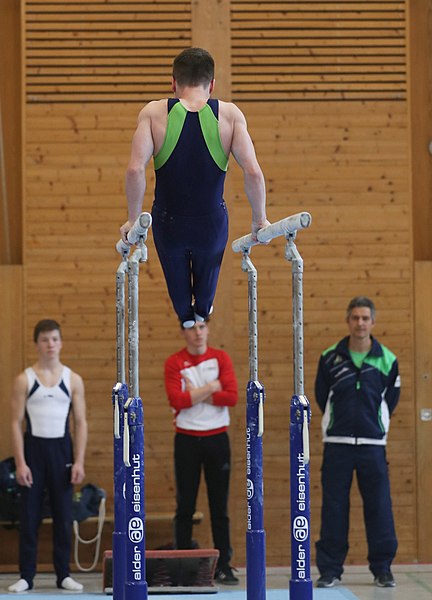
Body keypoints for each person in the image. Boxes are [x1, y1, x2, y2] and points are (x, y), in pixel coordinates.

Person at [120, 46, 269, 328]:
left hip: (168, 224)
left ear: (173, 82)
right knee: (204, 300)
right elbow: (253, 172)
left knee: (181, 304)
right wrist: (259, 219)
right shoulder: (230, 115)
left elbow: (135, 169)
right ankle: (203, 308)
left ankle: (186, 316)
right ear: (212, 84)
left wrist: (133, 220)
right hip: (210, 225)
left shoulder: (153, 113)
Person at [314, 296, 400, 589]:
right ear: (348, 321)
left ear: (373, 322)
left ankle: (382, 569)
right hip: (337, 444)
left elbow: (390, 401)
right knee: (334, 508)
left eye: (365, 318)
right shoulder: (329, 357)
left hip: (373, 446)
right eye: (355, 318)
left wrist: (372, 425)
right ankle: (329, 570)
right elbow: (321, 396)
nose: (360, 323)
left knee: (379, 507)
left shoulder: (388, 360)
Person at [9, 319, 88, 593]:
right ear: (37, 344)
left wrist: (78, 460)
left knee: (63, 517)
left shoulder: (73, 379)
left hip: (62, 451)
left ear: (61, 343)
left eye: (54, 339)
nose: (50, 345)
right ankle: (26, 576)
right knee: (29, 517)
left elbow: (81, 422)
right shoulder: (25, 379)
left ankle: (63, 574)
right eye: (45, 340)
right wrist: (20, 462)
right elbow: (15, 423)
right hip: (34, 452)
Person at [164, 320, 239, 585]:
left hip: (217, 438)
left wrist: (194, 393)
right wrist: (210, 387)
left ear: (208, 330)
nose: (197, 333)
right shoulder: (175, 363)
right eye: (192, 328)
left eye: (201, 327)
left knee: (220, 507)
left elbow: (231, 396)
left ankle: (224, 565)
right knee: (185, 506)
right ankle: (181, 564)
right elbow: (177, 400)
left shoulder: (220, 358)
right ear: (183, 332)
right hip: (186, 439)